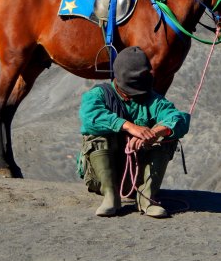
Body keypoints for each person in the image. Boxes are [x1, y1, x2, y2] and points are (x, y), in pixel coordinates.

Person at [78, 46, 191, 218]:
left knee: (166, 136)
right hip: (101, 178)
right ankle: (111, 196)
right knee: (96, 135)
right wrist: (129, 126)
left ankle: (146, 198)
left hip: (136, 178)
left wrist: (156, 132)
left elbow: (178, 118)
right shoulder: (98, 95)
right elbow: (89, 117)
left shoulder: (153, 100)